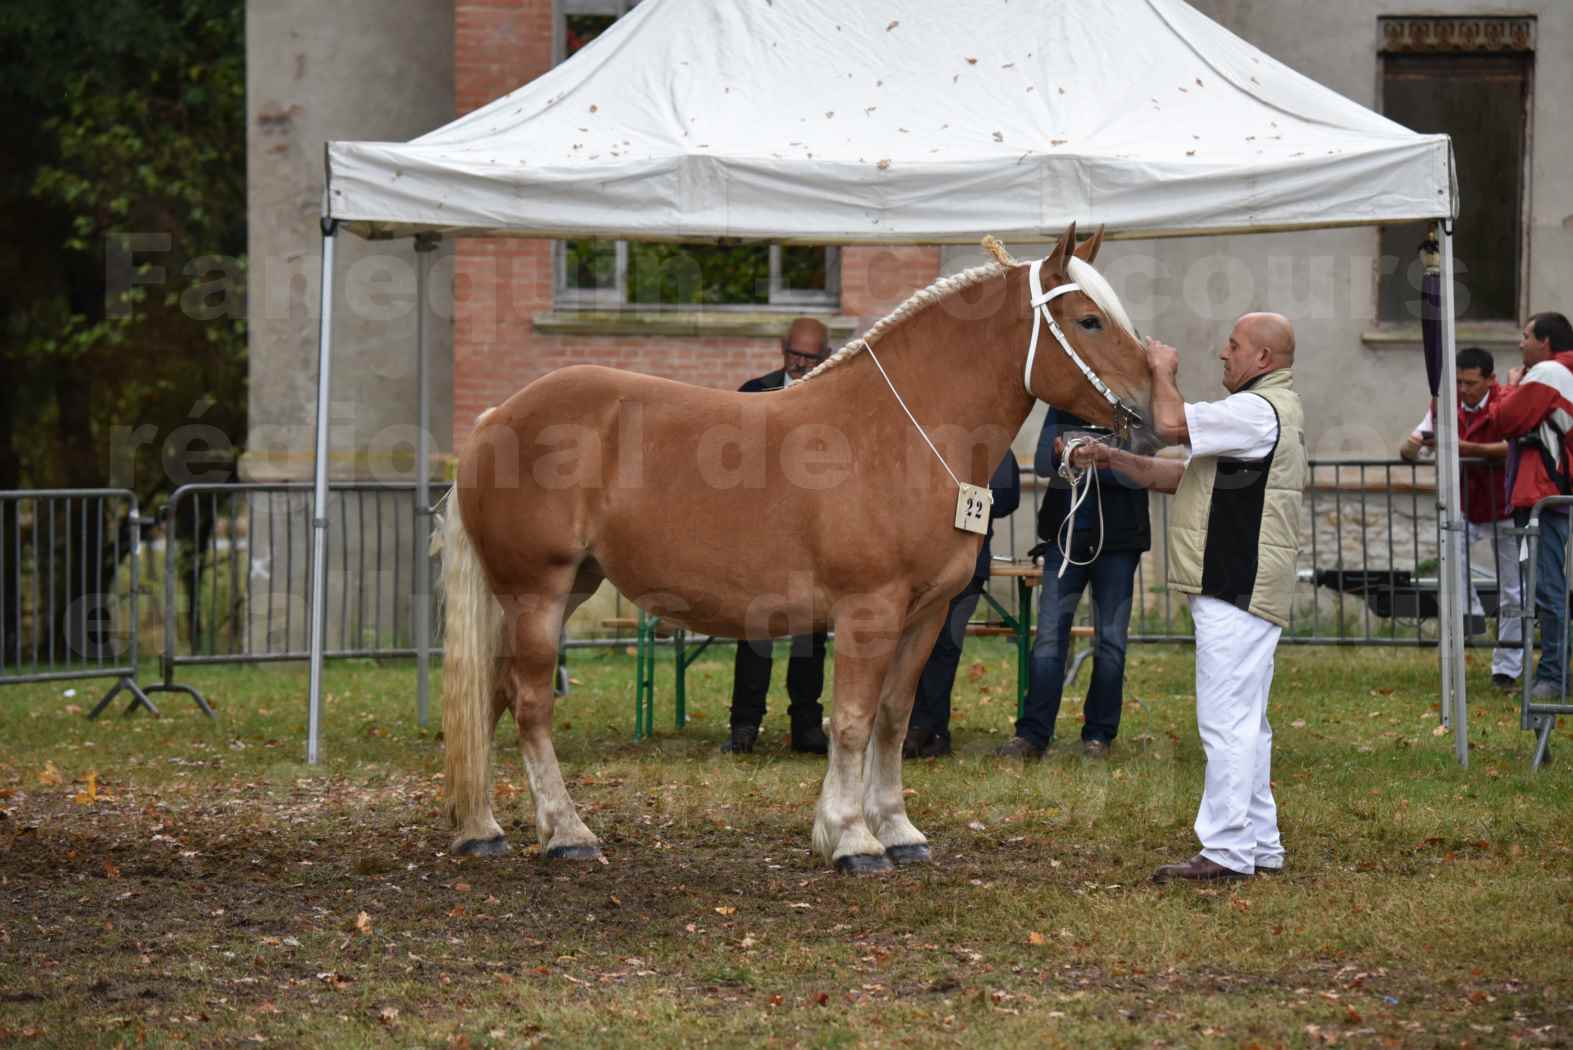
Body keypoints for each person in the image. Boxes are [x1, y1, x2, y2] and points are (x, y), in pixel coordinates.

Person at [1071, 312, 1304, 883]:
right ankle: (1260, 842)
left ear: (1263, 360)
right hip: (1242, 584)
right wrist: (1111, 458)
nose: (1223, 354)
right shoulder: (1264, 412)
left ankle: (1226, 851)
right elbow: (1179, 476)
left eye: (1234, 345)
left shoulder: (1255, 410)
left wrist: (1160, 369)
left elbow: (1172, 425)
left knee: (1225, 721)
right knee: (1247, 722)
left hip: (1235, 581)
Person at [993, 409, 1149, 760]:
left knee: (1111, 642)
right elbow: (1046, 461)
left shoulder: (1136, 403)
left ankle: (1099, 736)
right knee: (1049, 638)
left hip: (1120, 542)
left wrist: (1079, 458)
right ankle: (1032, 734)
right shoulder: (1066, 398)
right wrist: (1073, 456)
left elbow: (1139, 469)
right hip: (1064, 538)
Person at [723, 318, 834, 754]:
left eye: (810, 357)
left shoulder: (832, 397)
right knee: (756, 629)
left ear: (825, 356)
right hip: (762, 532)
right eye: (795, 355)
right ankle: (744, 726)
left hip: (813, 535)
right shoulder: (754, 391)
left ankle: (806, 726)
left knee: (811, 633)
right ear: (782, 349)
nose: (801, 365)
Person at [1398, 347, 1521, 690]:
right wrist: (1413, 445)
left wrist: (1460, 447)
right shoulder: (1443, 405)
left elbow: (1513, 447)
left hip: (1506, 507)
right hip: (1465, 506)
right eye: (1459, 382)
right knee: (1450, 555)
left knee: (1514, 590)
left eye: (1471, 383)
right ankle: (1471, 616)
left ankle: (1507, 669)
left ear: (1490, 381)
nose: (1464, 390)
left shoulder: (1506, 403)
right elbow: (1412, 447)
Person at [902, 454, 1021, 758]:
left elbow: (1008, 498)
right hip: (920, 563)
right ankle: (910, 724)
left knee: (944, 645)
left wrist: (959, 493)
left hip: (967, 562)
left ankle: (931, 728)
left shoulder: (995, 448)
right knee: (911, 644)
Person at [1484, 312, 1573, 701]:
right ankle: (1558, 671)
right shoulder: (1561, 372)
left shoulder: (1549, 373)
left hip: (1545, 495)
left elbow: (1502, 421)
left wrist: (1509, 387)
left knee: (1546, 588)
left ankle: (1553, 675)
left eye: (1525, 336)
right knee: (1550, 587)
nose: (1520, 343)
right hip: (1551, 494)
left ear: (1546, 342)